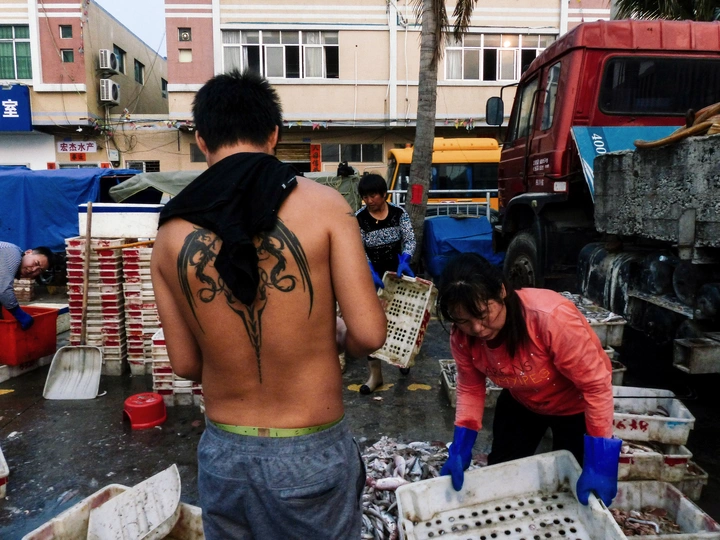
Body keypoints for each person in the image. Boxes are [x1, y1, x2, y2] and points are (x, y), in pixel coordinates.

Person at [150, 70, 387, 540]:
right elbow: (369, 334)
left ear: (201, 140)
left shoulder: (169, 236)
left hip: (225, 456)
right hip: (310, 449)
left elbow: (185, 365)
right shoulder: (326, 207)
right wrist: (339, 334)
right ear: (274, 134)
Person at [437, 253, 621, 506]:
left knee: (574, 484)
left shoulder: (550, 318)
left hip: (575, 407)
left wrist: (601, 462)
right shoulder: (462, 337)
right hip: (521, 400)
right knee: (502, 471)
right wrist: (461, 446)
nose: (477, 329)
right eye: (464, 321)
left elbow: (596, 387)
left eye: (483, 314)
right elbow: (470, 386)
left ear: (501, 291)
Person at [355, 173, 416, 394]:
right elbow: (358, 248)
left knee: (402, 319)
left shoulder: (399, 214)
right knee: (371, 324)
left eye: (373, 196)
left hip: (398, 274)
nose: (369, 201)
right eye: (365, 197)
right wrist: (369, 269)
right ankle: (375, 375)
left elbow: (409, 239)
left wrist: (405, 259)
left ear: (384, 194)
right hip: (371, 276)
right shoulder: (359, 218)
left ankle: (403, 358)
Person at [0, 242, 52, 330]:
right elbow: (3, 290)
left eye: (39, 270)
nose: (34, 270)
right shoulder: (12, 253)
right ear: (28, 252)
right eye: (36, 263)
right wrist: (19, 313)